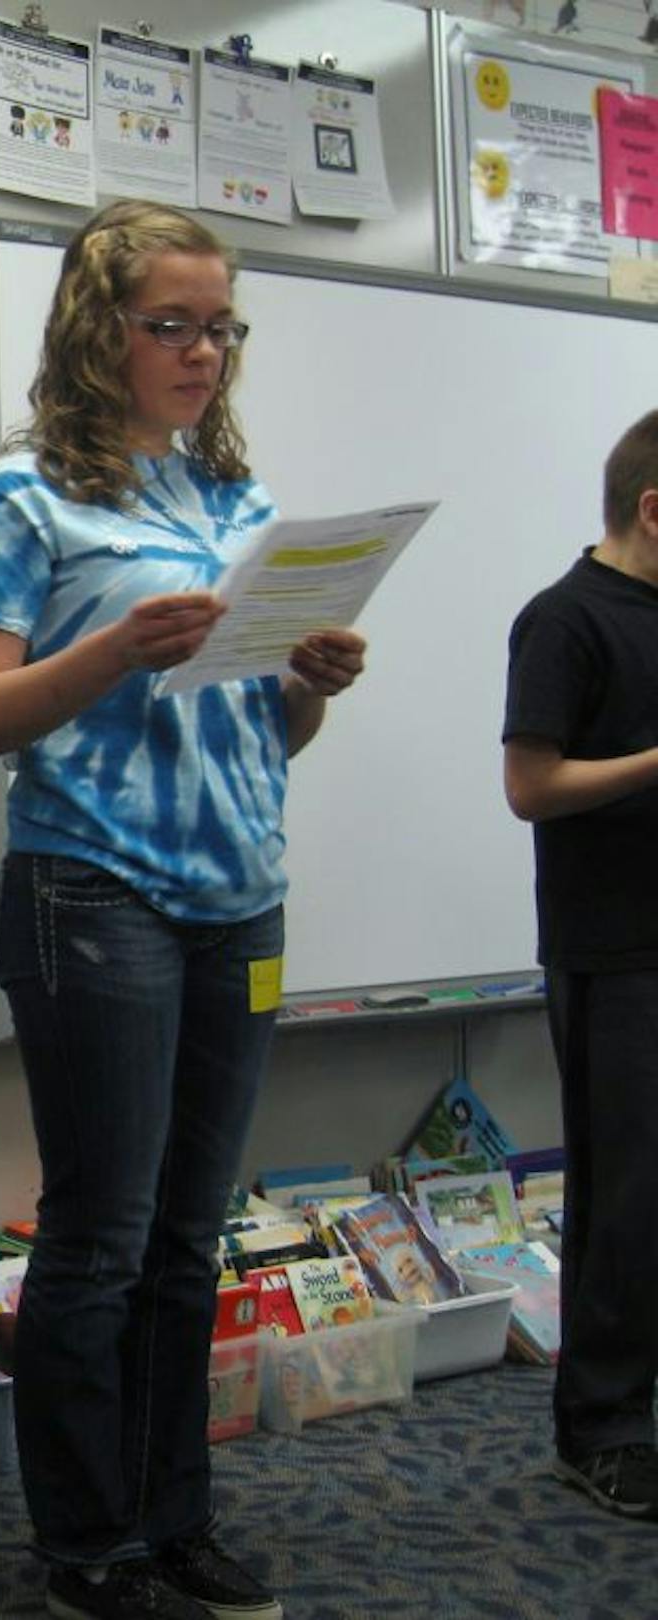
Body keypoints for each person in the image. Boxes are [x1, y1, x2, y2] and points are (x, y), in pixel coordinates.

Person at [0, 200, 366, 1620]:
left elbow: (261, 738)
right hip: (92, 894)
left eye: (219, 326)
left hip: (242, 902)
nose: (200, 351)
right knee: (101, 1240)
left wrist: (305, 686)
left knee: (191, 1236)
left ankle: (178, 1519)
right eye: (169, 323)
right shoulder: (22, 501)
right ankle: (86, 1543)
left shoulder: (235, 504)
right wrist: (114, 646)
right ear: (96, 330)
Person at [502, 408, 658, 1520]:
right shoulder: (565, 619)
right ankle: (602, 1427)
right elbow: (531, 787)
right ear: (655, 511)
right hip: (620, 950)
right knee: (630, 1199)